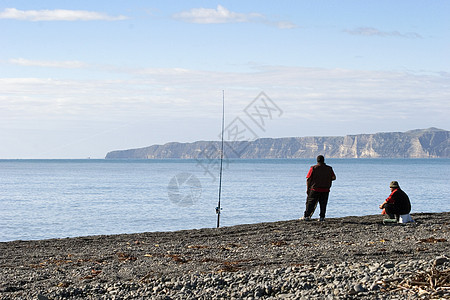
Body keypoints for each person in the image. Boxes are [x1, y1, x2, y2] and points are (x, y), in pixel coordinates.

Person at [302, 155, 336, 221]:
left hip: (315, 189)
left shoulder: (313, 168)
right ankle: (322, 217)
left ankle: (307, 216)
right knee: (323, 204)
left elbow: (308, 179)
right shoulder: (329, 168)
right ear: (323, 160)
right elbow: (334, 178)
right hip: (325, 189)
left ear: (317, 160)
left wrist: (308, 188)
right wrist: (327, 179)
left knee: (310, 203)